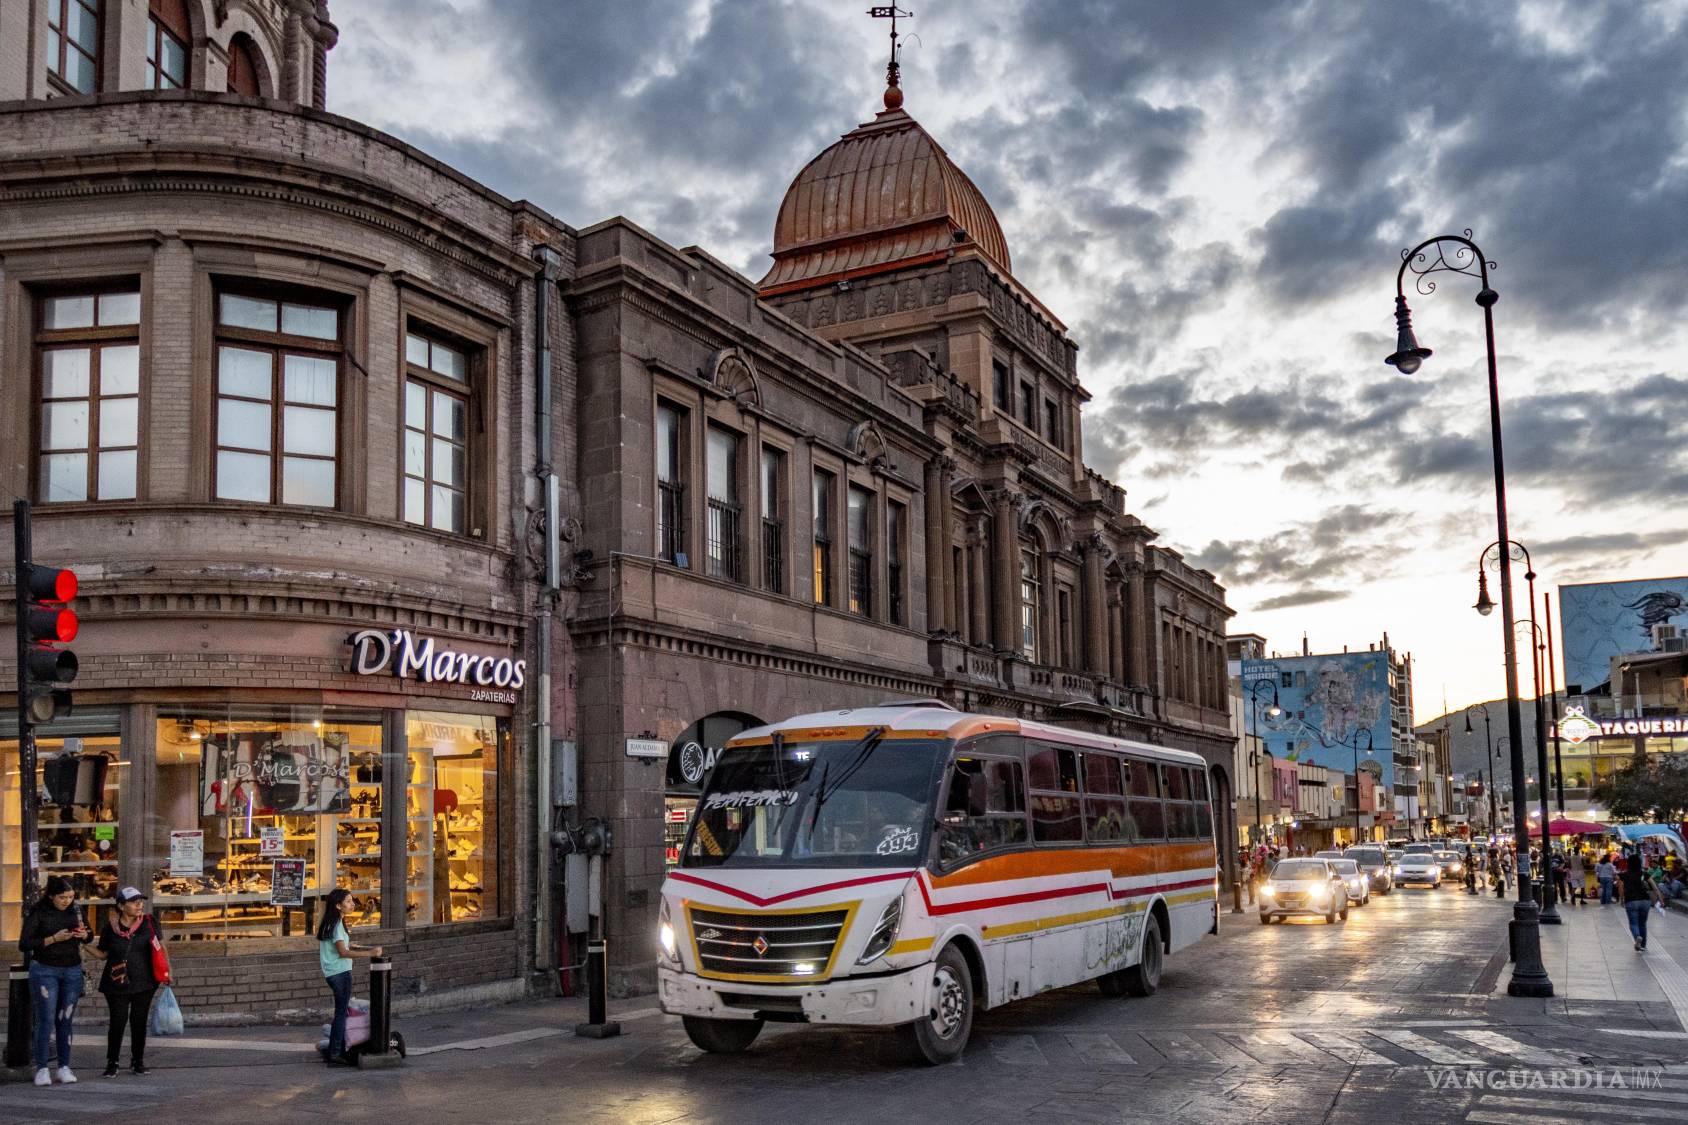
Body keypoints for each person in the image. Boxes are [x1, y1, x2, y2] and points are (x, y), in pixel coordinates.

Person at [18, 876, 92, 1086]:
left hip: (72, 969)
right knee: (46, 1019)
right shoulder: (39, 912)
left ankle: (64, 1066)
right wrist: (53, 939)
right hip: (45, 969)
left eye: (70, 897)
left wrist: (83, 934)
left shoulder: (76, 910)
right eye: (62, 897)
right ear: (51, 896)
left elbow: (88, 936)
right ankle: (42, 1067)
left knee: (65, 1019)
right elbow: (24, 943)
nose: (67, 901)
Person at [90, 886, 164, 1077]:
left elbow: (160, 948)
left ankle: (137, 1061)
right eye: (133, 901)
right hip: (117, 982)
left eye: (140, 901)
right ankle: (112, 1062)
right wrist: (82, 945)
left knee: (139, 1022)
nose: (139, 905)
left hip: (144, 981)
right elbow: (103, 954)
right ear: (121, 905)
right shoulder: (110, 928)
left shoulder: (149, 922)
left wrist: (166, 971)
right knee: (118, 1021)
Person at [317, 887, 382, 1066]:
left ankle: (333, 1049)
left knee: (340, 1012)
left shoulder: (331, 922)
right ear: (338, 905)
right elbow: (343, 953)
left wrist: (351, 943)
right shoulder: (337, 925)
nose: (352, 904)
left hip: (333, 973)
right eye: (347, 901)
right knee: (340, 1014)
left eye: (352, 900)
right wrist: (370, 953)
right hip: (340, 973)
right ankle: (336, 1053)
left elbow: (339, 946)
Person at [1619, 848, 1662, 951]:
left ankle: (1637, 937)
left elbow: (1620, 887)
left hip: (1631, 901)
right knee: (1642, 924)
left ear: (1628, 863)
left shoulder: (1624, 875)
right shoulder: (1644, 873)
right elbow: (1654, 886)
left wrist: (1621, 899)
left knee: (1633, 923)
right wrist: (1660, 898)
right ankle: (1643, 945)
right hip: (1645, 901)